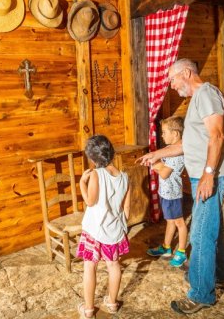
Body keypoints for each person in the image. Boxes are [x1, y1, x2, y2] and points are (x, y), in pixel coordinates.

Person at [138, 58, 224, 315]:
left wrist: (208, 174)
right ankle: (217, 276)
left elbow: (217, 136)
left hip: (209, 174)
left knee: (200, 234)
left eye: (172, 79)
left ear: (187, 72)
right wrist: (157, 153)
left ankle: (201, 294)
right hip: (202, 174)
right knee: (211, 227)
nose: (171, 85)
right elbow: (189, 143)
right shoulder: (199, 99)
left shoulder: (206, 93)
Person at [76, 135, 131, 318]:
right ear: (112, 152)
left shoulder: (95, 175)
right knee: (114, 265)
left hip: (95, 230)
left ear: (92, 159)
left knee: (89, 266)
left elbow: (90, 202)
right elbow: (127, 208)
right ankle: (112, 303)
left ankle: (89, 309)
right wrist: (122, 227)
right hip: (115, 231)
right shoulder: (125, 177)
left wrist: (81, 183)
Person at [146, 115, 188, 268]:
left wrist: (155, 164)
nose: (162, 135)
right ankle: (166, 247)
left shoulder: (177, 154)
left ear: (175, 134)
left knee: (179, 223)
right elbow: (163, 168)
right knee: (170, 221)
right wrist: (158, 164)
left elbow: (164, 173)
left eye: (164, 132)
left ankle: (182, 252)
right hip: (166, 193)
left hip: (173, 195)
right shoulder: (170, 151)